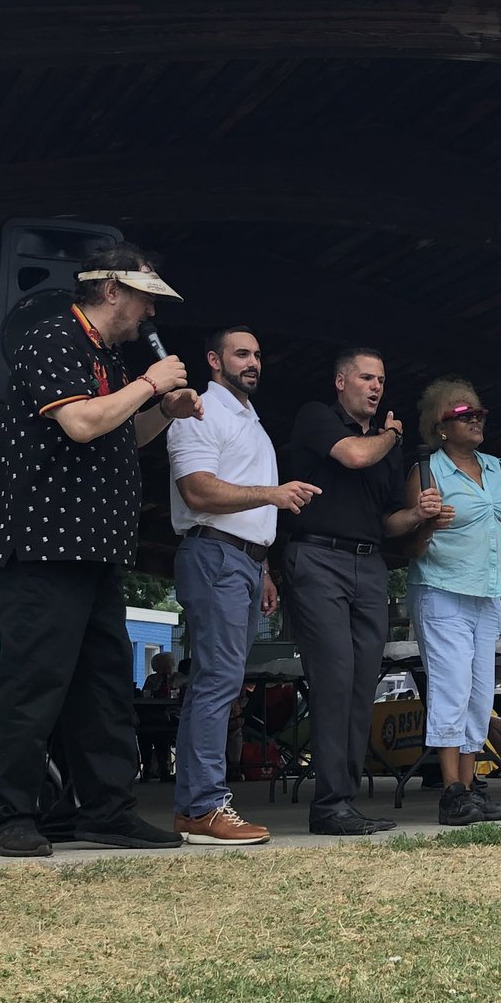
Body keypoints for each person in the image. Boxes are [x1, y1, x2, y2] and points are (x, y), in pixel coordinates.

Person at [0, 244, 203, 857]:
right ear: (111, 291)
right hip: (42, 543)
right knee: (33, 680)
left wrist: (165, 411)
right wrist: (153, 382)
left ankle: (106, 810)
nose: (150, 312)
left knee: (102, 685)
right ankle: (10, 817)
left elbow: (121, 428)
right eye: (146, 298)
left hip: (94, 547)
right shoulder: (51, 338)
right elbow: (80, 423)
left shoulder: (108, 358)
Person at [167, 326, 321, 845]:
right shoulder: (201, 412)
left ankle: (197, 805)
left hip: (242, 561)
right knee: (217, 683)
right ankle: (204, 805)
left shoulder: (250, 421)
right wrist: (273, 494)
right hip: (214, 552)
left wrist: (263, 569)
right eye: (241, 353)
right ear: (213, 360)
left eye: (257, 354)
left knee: (219, 682)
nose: (253, 362)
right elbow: (198, 490)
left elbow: (244, 512)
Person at [284, 347, 442, 835]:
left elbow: (389, 519)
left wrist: (417, 514)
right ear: (341, 382)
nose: (376, 387)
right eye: (366, 378)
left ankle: (342, 799)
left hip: (368, 563)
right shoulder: (319, 418)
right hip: (318, 557)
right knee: (333, 677)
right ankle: (329, 803)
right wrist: (392, 434)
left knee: (360, 684)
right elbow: (353, 455)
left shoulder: (385, 449)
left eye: (381, 380)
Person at [405, 377, 501, 826]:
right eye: (463, 415)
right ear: (440, 427)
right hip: (441, 592)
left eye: (478, 412)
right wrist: (428, 524)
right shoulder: (427, 471)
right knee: (451, 689)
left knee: (480, 694)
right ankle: (451, 790)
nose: (475, 420)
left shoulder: (495, 467)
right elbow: (409, 548)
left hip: (485, 595)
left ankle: (472, 785)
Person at [138, 651, 175, 782]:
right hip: (158, 717)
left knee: (157, 736)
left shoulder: (174, 679)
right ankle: (157, 768)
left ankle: (156, 768)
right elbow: (147, 695)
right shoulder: (154, 679)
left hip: (161, 717)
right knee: (156, 735)